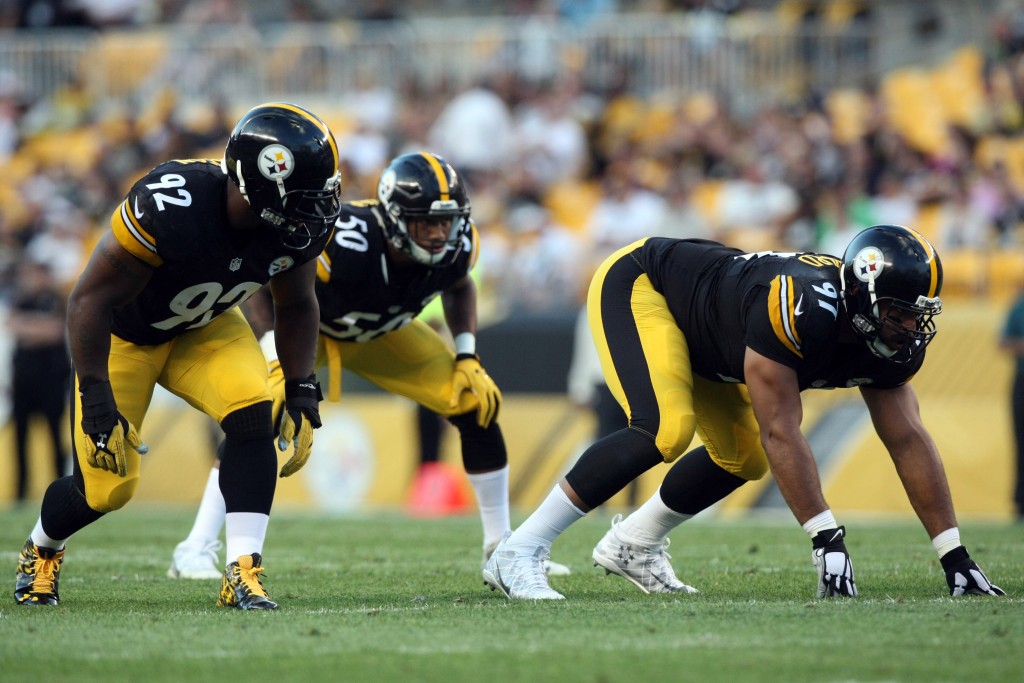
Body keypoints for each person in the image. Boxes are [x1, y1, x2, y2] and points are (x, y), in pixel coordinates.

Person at [483, 225, 1005, 600]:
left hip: (713, 336)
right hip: (647, 286)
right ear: (865, 300)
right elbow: (782, 430)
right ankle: (519, 550)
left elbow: (908, 439)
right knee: (663, 430)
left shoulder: (894, 341)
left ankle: (634, 544)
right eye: (900, 314)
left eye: (920, 314)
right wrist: (826, 538)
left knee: (742, 457)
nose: (912, 328)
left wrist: (953, 554)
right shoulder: (801, 307)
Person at [167, 151, 569, 579]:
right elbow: (264, 280)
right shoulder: (346, 239)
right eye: (425, 223)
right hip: (308, 331)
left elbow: (459, 285)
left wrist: (467, 352)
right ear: (394, 219)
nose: (438, 234)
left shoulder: (459, 243)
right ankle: (195, 546)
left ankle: (502, 547)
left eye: (446, 222)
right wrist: (271, 349)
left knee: (474, 398)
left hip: (383, 332)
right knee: (256, 414)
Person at [14, 102, 342, 610]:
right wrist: (94, 391)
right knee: (106, 488)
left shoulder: (291, 226)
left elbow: (297, 301)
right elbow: (88, 299)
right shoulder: (175, 202)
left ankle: (243, 571)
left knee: (254, 407)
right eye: (304, 195)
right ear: (259, 185)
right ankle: (42, 548)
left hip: (205, 326)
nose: (316, 208)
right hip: (123, 337)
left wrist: (300, 385)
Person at [6, 260, 71, 502]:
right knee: (20, 441)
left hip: (51, 383)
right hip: (23, 384)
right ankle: (20, 493)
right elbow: (11, 324)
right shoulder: (22, 300)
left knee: (55, 439)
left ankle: (62, 493)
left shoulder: (56, 300)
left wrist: (28, 329)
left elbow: (55, 331)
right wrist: (37, 330)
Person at [999, 288, 1024, 521]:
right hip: (1022, 381)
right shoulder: (1018, 307)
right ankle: (1021, 504)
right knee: (1021, 443)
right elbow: (1003, 343)